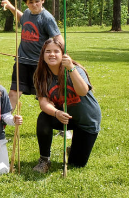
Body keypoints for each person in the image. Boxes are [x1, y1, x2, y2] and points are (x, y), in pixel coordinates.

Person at [31, 39, 101, 173]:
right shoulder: (40, 76)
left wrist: (71, 68)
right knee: (44, 118)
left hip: (87, 120)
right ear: (43, 55)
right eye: (48, 51)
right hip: (66, 117)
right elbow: (43, 103)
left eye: (56, 51)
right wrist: (56, 113)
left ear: (63, 54)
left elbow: (82, 91)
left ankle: (74, 148)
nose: (52, 54)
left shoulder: (75, 69)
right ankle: (44, 160)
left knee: (77, 164)